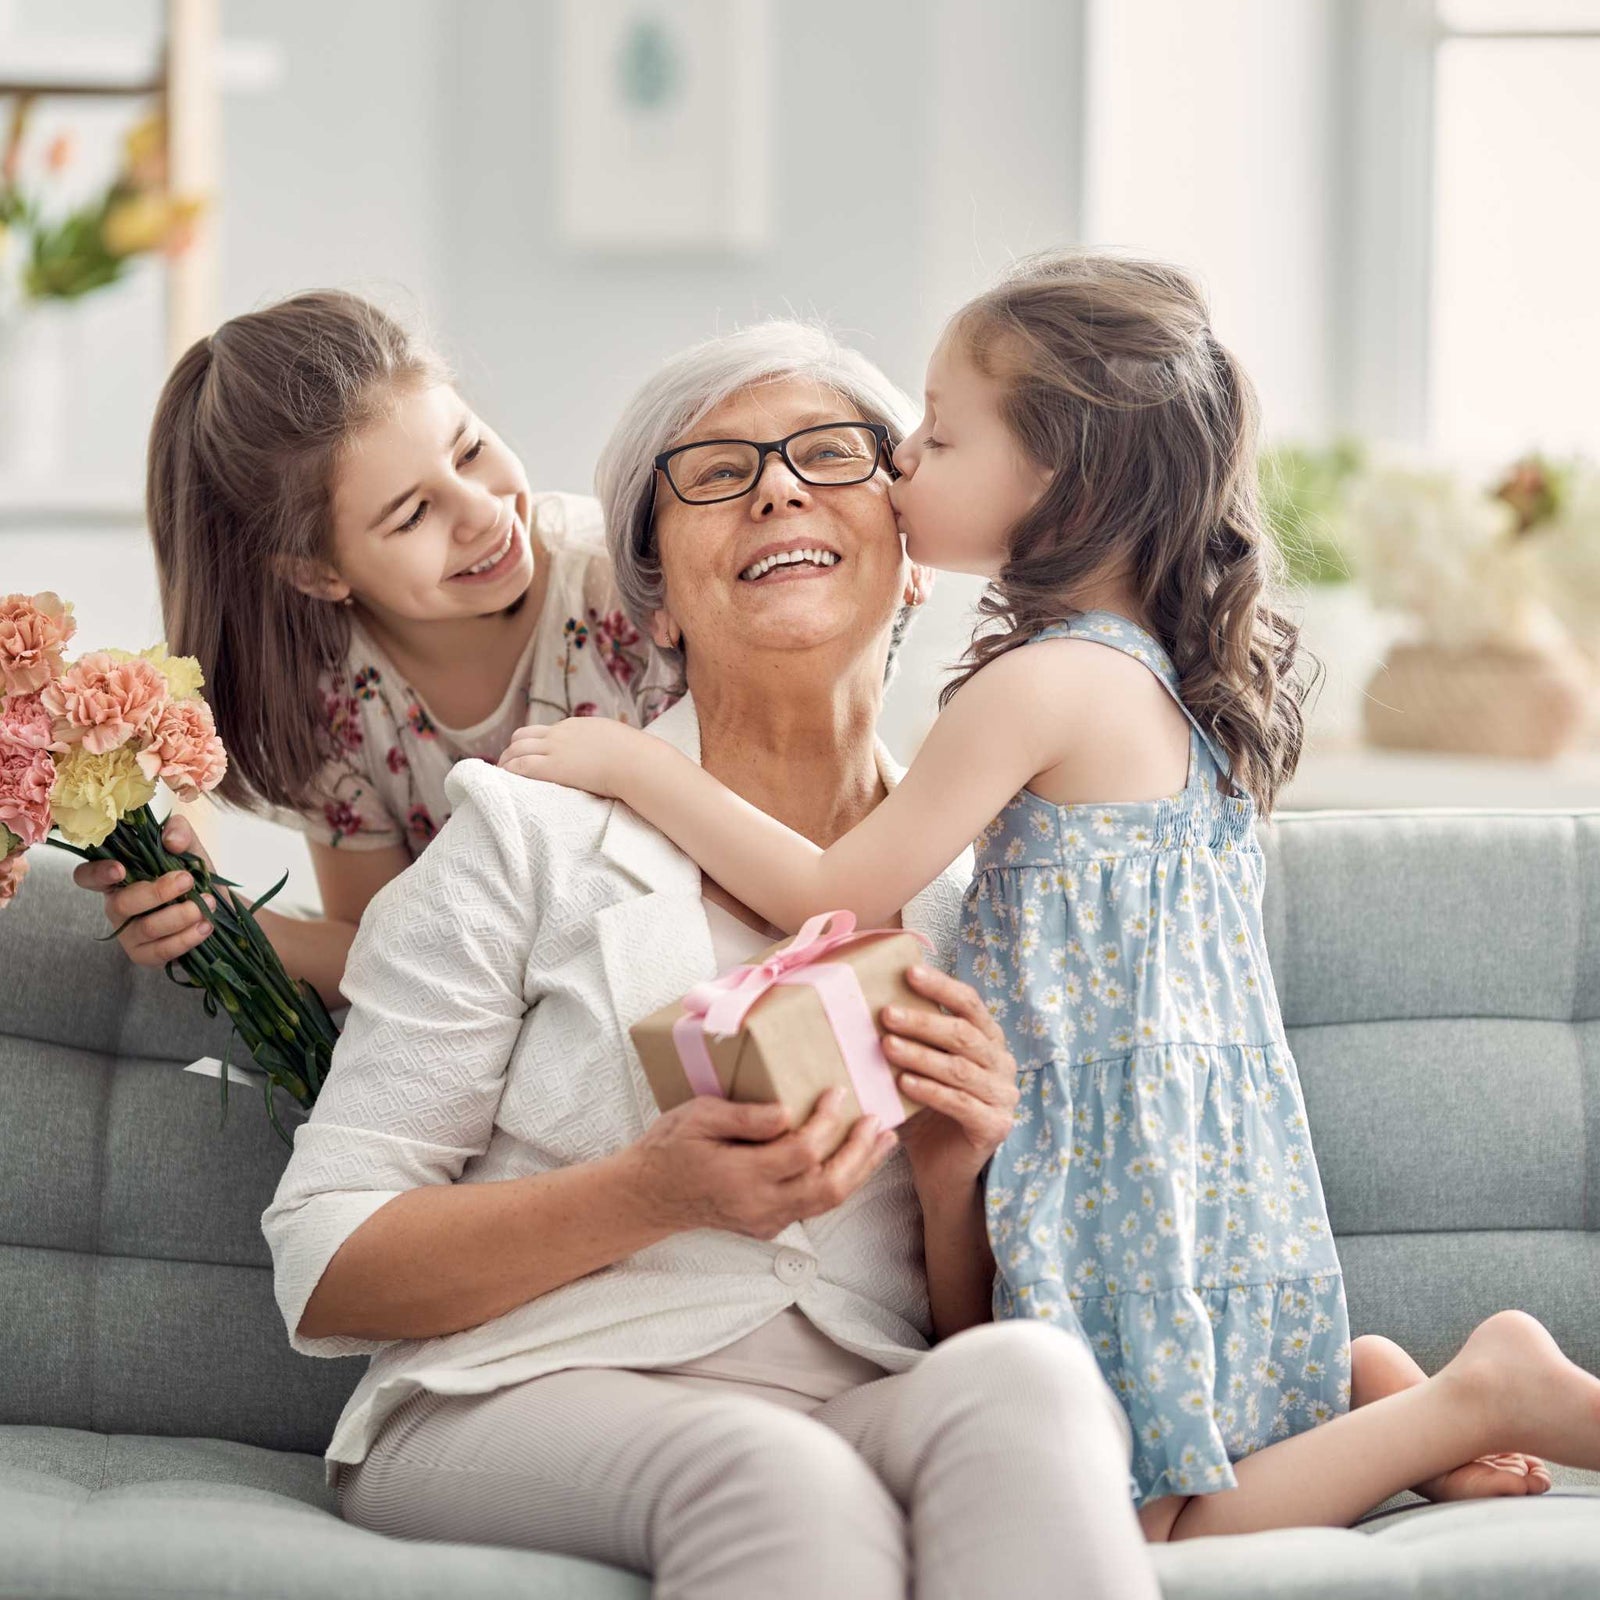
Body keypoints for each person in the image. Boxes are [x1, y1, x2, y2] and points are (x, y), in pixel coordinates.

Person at [500, 253, 1600, 1541]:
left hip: (1109, 1128)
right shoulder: (1147, 677)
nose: (901, 461)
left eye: (939, 434)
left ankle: (1473, 1397)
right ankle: (1365, 1386)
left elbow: (834, 892)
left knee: (1148, 1528)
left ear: (1057, 480)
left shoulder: (1039, 687)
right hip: (1177, 1119)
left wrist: (633, 759)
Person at [262, 320, 1160, 1600]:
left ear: (910, 558)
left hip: (855, 1398)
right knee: (770, 1472)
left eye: (826, 455)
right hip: (512, 1397)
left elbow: (963, 1324)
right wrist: (652, 1192)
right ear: (659, 600)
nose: (778, 487)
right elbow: (328, 1255)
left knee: (1031, 1377)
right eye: (717, 472)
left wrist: (958, 1174)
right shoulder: (527, 837)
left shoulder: (996, 893)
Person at [73, 291, 672, 1003]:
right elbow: (383, 947)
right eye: (414, 514)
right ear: (316, 573)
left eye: (471, 450)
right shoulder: (336, 708)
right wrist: (219, 923)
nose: (482, 512)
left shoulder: (630, 583)